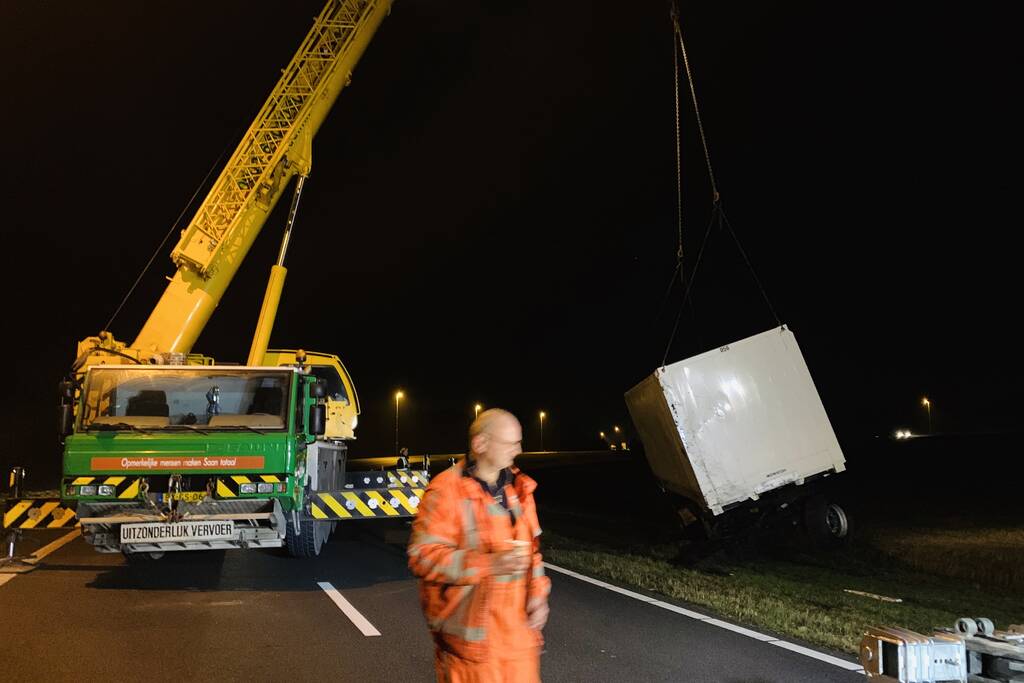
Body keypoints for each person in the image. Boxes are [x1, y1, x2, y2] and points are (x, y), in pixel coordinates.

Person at [408, 408, 551, 682]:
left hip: (519, 647)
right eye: (510, 443)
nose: (518, 450)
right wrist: (487, 563)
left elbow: (533, 552)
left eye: (519, 442)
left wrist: (539, 596)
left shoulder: (520, 489)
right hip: (471, 654)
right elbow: (422, 556)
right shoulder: (446, 491)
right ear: (481, 444)